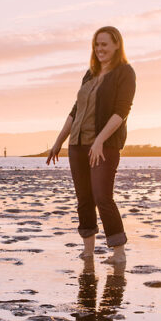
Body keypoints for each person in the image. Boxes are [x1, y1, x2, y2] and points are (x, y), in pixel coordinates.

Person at [46, 27, 136, 264]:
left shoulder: (125, 72)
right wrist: (59, 141)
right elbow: (75, 111)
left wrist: (99, 141)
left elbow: (122, 111)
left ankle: (118, 252)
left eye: (104, 44)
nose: (100, 49)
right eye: (96, 45)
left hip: (104, 146)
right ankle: (88, 250)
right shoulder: (90, 74)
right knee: (84, 199)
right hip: (77, 144)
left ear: (117, 45)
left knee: (102, 196)